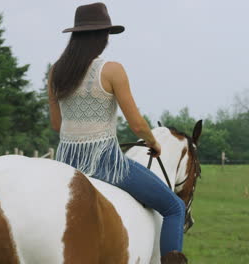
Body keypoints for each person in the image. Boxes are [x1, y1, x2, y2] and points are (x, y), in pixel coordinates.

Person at [47, 3, 188, 263]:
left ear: (76, 35)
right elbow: (137, 125)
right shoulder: (111, 70)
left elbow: (57, 125)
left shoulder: (56, 72)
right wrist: (154, 142)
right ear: (102, 36)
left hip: (65, 163)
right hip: (106, 163)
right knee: (174, 207)